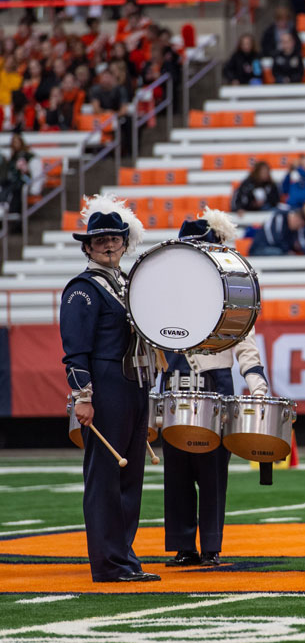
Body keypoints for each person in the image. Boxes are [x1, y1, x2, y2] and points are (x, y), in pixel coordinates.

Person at [161, 212, 268, 569]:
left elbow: (246, 343)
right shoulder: (161, 294)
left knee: (211, 471)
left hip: (214, 383)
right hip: (175, 385)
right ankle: (181, 545)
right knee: (176, 470)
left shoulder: (230, 292)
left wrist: (257, 384)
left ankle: (211, 546)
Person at [60, 195, 158, 583]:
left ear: (124, 241)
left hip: (134, 385)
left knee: (129, 477)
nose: (108, 244)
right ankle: (108, 563)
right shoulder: (82, 289)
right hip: (106, 387)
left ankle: (124, 557)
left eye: (114, 238)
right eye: (99, 239)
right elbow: (74, 350)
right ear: (87, 246)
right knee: (104, 478)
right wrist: (83, 398)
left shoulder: (126, 283)